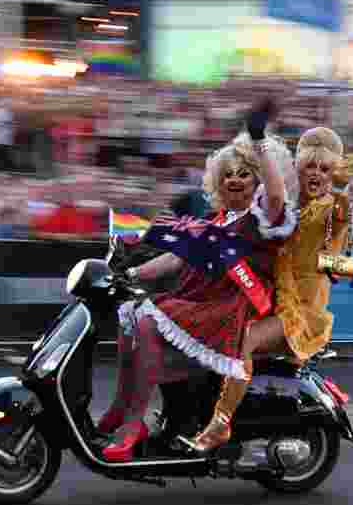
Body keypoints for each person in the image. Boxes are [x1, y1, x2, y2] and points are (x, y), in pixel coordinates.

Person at [96, 105, 297, 463]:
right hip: (197, 301)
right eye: (228, 175)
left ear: (257, 183)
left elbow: (278, 197)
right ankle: (124, 411)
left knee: (143, 320)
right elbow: (175, 258)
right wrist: (127, 274)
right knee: (129, 317)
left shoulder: (261, 219)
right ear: (218, 182)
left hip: (230, 309)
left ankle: (132, 427)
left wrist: (258, 140)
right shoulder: (214, 219)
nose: (235, 180)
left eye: (244, 175)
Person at [181, 126, 353, 453]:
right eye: (310, 166)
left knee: (243, 340)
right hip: (268, 298)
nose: (315, 174)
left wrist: (325, 264)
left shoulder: (334, 208)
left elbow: (346, 264)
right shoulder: (287, 203)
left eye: (324, 168)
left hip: (299, 312)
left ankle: (219, 423)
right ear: (298, 167)